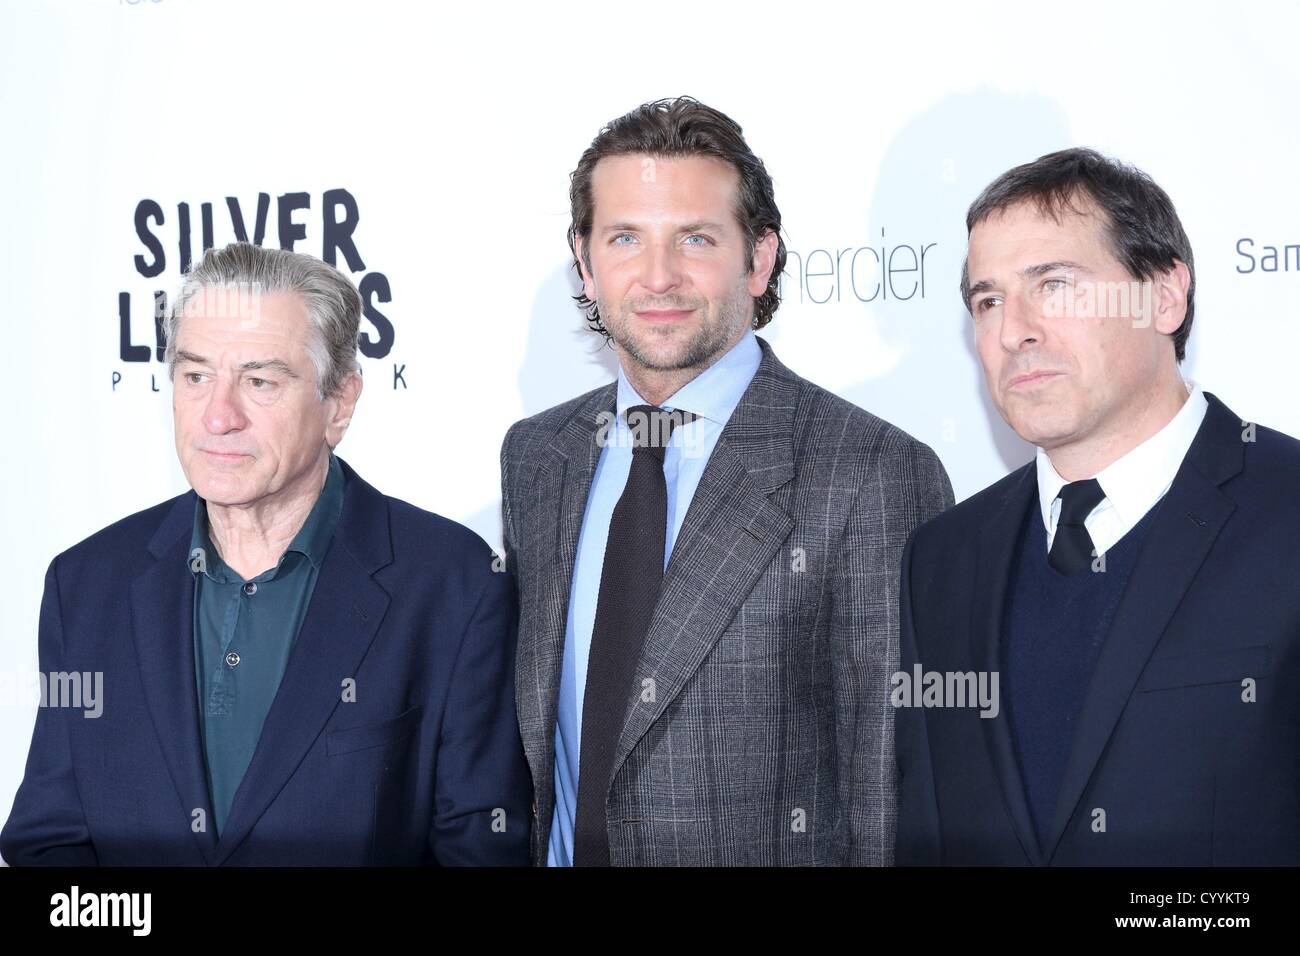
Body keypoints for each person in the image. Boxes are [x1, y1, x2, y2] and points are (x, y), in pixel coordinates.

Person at [502, 97, 953, 866]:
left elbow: (890, 796)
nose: (658, 276)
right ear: (585, 261)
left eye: (696, 238)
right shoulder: (538, 458)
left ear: (760, 257)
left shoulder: (869, 472)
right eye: (625, 238)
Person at [1, 242, 529, 865]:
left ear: (339, 404)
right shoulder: (86, 585)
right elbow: (50, 840)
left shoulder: (453, 585)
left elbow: (480, 850)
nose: (218, 417)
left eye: (260, 382)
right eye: (196, 377)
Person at [895, 148, 1300, 865]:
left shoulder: (1287, 511)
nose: (1013, 331)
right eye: (988, 301)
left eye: (1053, 285)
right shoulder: (942, 558)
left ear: (1164, 297)